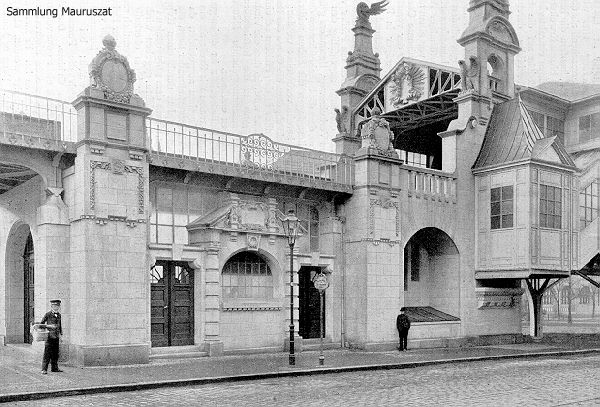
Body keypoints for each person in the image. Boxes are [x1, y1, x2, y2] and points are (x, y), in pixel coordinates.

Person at [40, 299, 63, 374]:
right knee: (47, 353)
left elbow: (60, 326)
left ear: (59, 307)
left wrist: (61, 335)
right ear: (51, 306)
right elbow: (41, 324)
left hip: (56, 337)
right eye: (54, 306)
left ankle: (54, 368)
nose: (55, 307)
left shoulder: (59, 315)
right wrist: (49, 326)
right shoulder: (48, 314)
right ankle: (44, 369)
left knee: (55, 353)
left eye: (57, 306)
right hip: (49, 337)